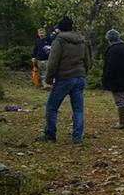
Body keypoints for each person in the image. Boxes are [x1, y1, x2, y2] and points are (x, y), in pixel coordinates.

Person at [37, 16, 91, 144]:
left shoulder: (59, 41)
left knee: (52, 107)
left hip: (64, 78)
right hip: (79, 78)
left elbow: (53, 62)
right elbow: (88, 61)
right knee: (78, 109)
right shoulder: (81, 40)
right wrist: (83, 73)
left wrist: (48, 80)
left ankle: (50, 134)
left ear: (59, 29)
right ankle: (77, 137)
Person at [102, 29, 124, 129]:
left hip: (117, 80)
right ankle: (123, 121)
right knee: (123, 99)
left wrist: (106, 77)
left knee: (120, 101)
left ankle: (123, 122)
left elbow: (110, 66)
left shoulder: (113, 49)